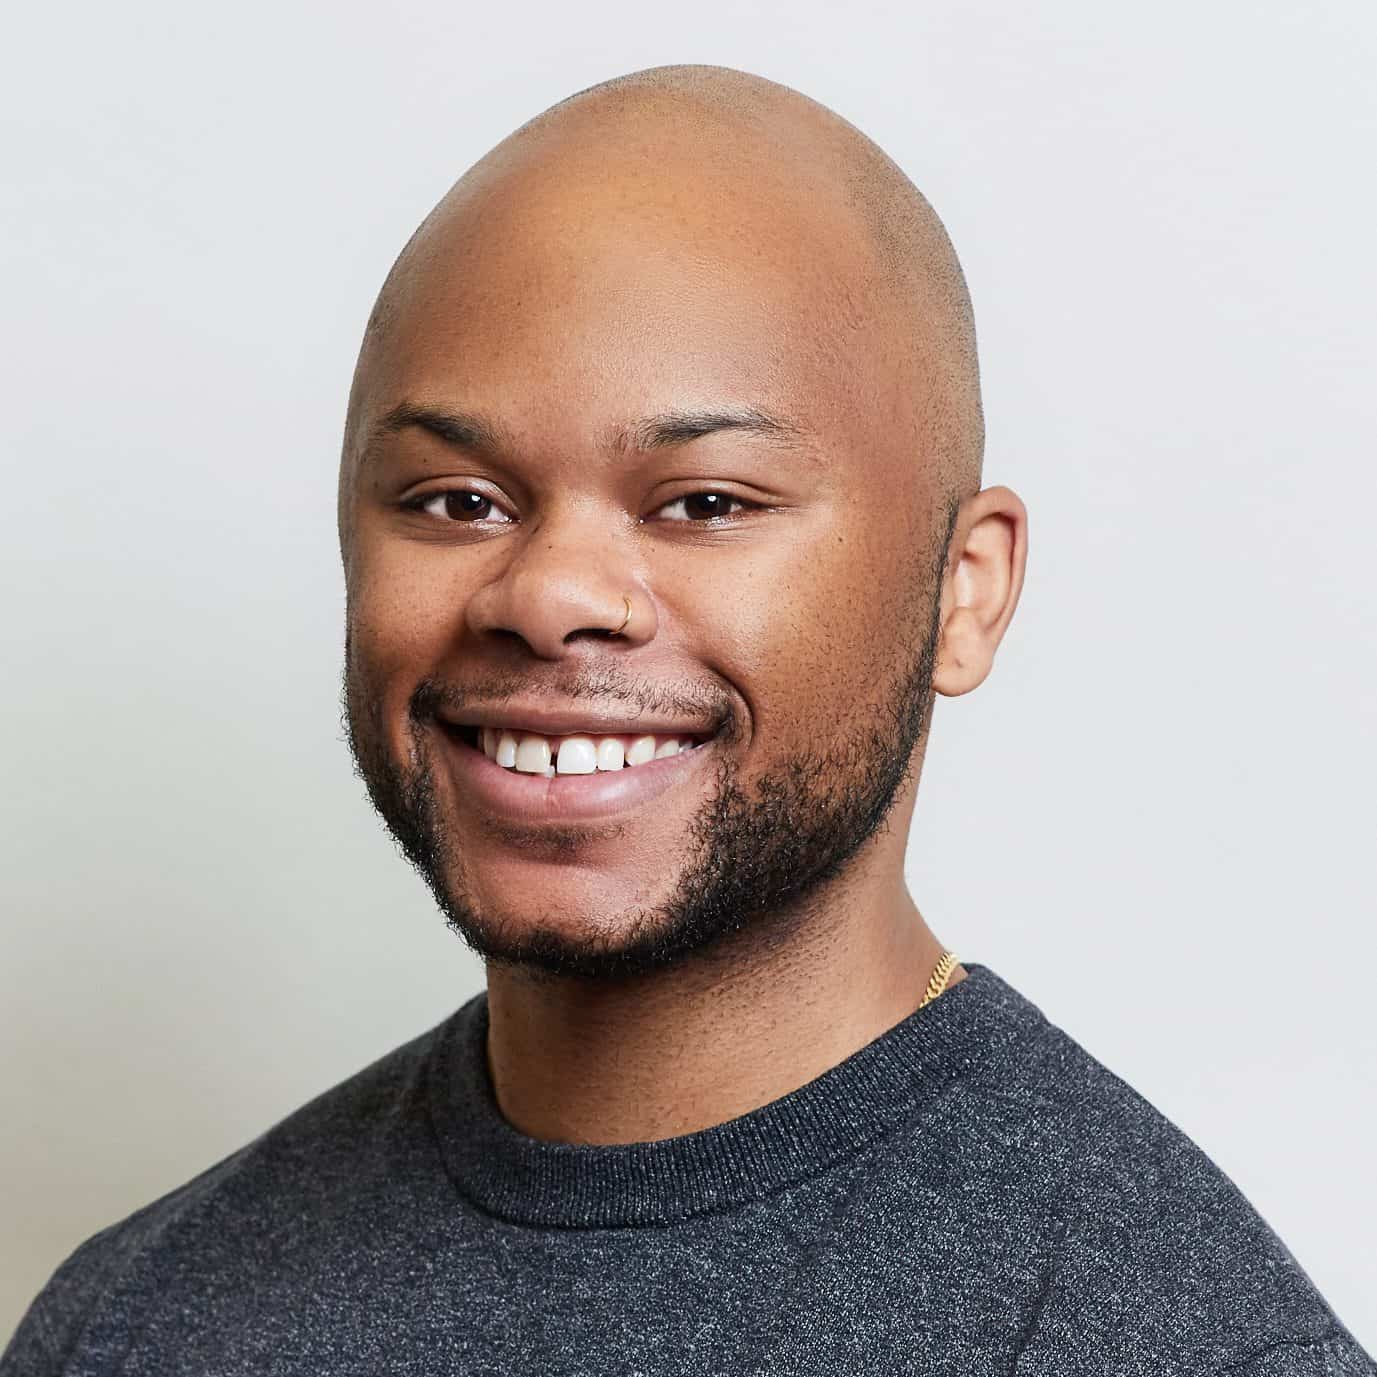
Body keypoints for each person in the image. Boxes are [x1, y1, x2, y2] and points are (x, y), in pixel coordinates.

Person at [4, 63, 1371, 1376]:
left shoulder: (1164, 1342)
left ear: (964, 593)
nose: (547, 596)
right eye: (455, 500)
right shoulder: (138, 1317)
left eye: (704, 501)